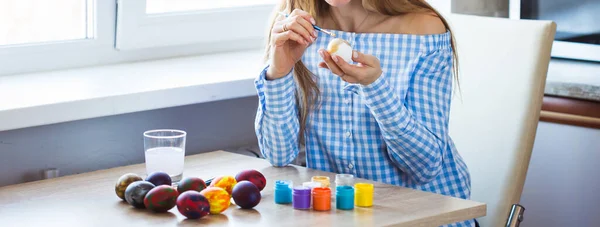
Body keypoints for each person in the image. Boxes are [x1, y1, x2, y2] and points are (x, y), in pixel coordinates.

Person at [254, 0, 473, 226]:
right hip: (343, 217)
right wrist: (278, 71)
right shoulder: (293, 24)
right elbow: (278, 155)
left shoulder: (424, 29)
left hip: (427, 217)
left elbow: (425, 168)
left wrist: (375, 88)